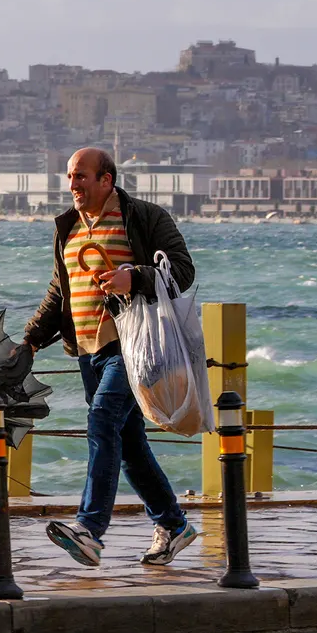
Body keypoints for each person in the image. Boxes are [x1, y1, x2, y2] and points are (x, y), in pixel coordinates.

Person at [20, 146, 200, 567]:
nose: (73, 185)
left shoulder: (143, 217)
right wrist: (29, 341)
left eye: (81, 176)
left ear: (107, 179)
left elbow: (183, 270)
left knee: (102, 420)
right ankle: (174, 525)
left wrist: (132, 277)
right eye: (69, 177)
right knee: (130, 443)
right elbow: (59, 293)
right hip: (87, 350)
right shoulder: (68, 227)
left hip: (134, 346)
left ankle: (89, 530)